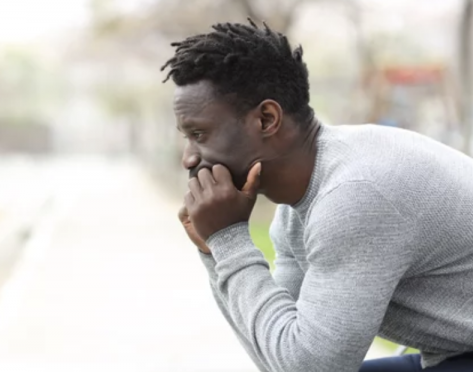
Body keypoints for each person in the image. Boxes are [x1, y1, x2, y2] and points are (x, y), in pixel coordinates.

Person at [160, 19, 473, 372]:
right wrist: (214, 250)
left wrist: (229, 241)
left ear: (266, 119)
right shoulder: (298, 207)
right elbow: (278, 350)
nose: (188, 157)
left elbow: (311, 367)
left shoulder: (354, 195)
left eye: (199, 134)